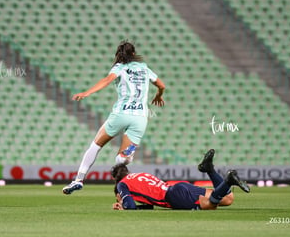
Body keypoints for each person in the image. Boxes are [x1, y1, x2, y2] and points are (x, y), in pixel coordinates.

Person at [63, 41, 165, 195]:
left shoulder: (120, 67)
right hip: (140, 116)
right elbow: (162, 85)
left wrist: (87, 92)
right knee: (121, 159)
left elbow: (107, 80)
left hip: (121, 113)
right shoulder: (144, 68)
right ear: (133, 53)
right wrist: (158, 95)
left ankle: (78, 180)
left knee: (96, 145)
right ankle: (126, 157)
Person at [111, 149, 250, 210]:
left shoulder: (122, 184)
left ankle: (228, 180)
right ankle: (209, 169)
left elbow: (130, 206)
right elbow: (149, 205)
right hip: (178, 187)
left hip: (174, 196)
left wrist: (123, 206)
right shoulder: (140, 175)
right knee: (227, 199)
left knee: (210, 205)